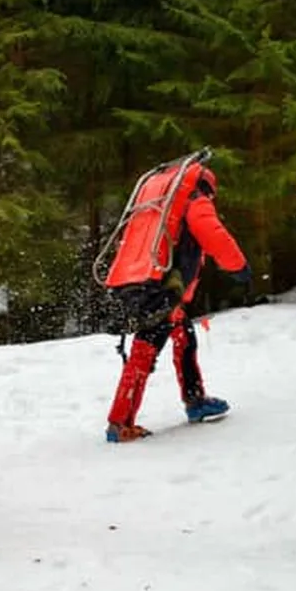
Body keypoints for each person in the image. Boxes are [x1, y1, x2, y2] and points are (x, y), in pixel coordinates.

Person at [105, 168, 251, 442]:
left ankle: (195, 400)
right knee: (145, 349)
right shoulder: (195, 201)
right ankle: (120, 421)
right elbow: (212, 232)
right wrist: (238, 266)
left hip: (150, 283)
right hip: (164, 290)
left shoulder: (162, 207)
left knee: (184, 336)